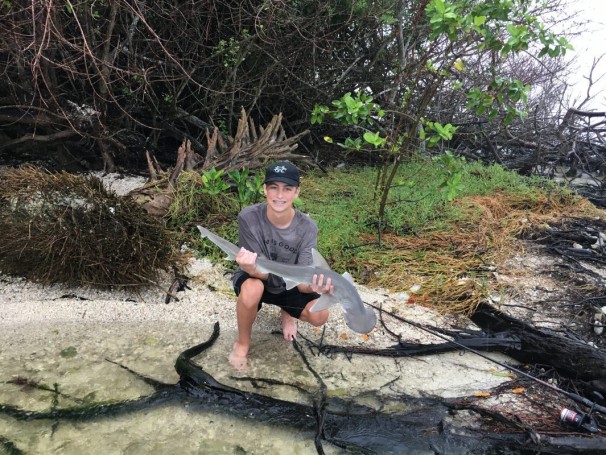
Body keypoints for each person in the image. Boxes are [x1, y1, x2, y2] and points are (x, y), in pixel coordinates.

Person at [229, 161, 333, 369]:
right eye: (274, 187)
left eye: (287, 189)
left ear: (297, 192)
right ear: (264, 190)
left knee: (320, 314)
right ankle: (242, 344)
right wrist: (249, 268)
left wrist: (315, 286)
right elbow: (257, 270)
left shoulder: (308, 228)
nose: (279, 195)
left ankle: (287, 312)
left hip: (291, 283)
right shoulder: (248, 217)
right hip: (258, 276)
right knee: (252, 289)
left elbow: (303, 282)